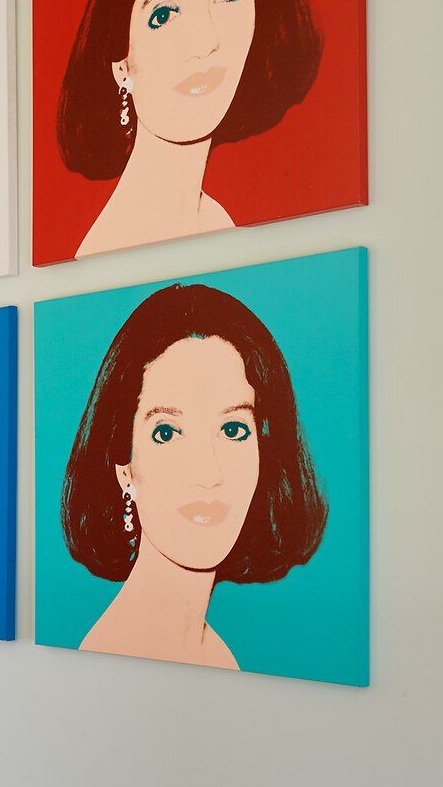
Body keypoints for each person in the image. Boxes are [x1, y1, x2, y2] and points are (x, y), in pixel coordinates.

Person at [57, 0, 321, 258]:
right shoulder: (109, 248)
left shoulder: (213, 221)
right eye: (163, 14)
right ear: (121, 63)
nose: (205, 40)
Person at [60, 282, 326, 670]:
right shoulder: (114, 652)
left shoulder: (212, 654)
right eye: (167, 433)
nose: (207, 473)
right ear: (124, 468)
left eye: (233, 430)